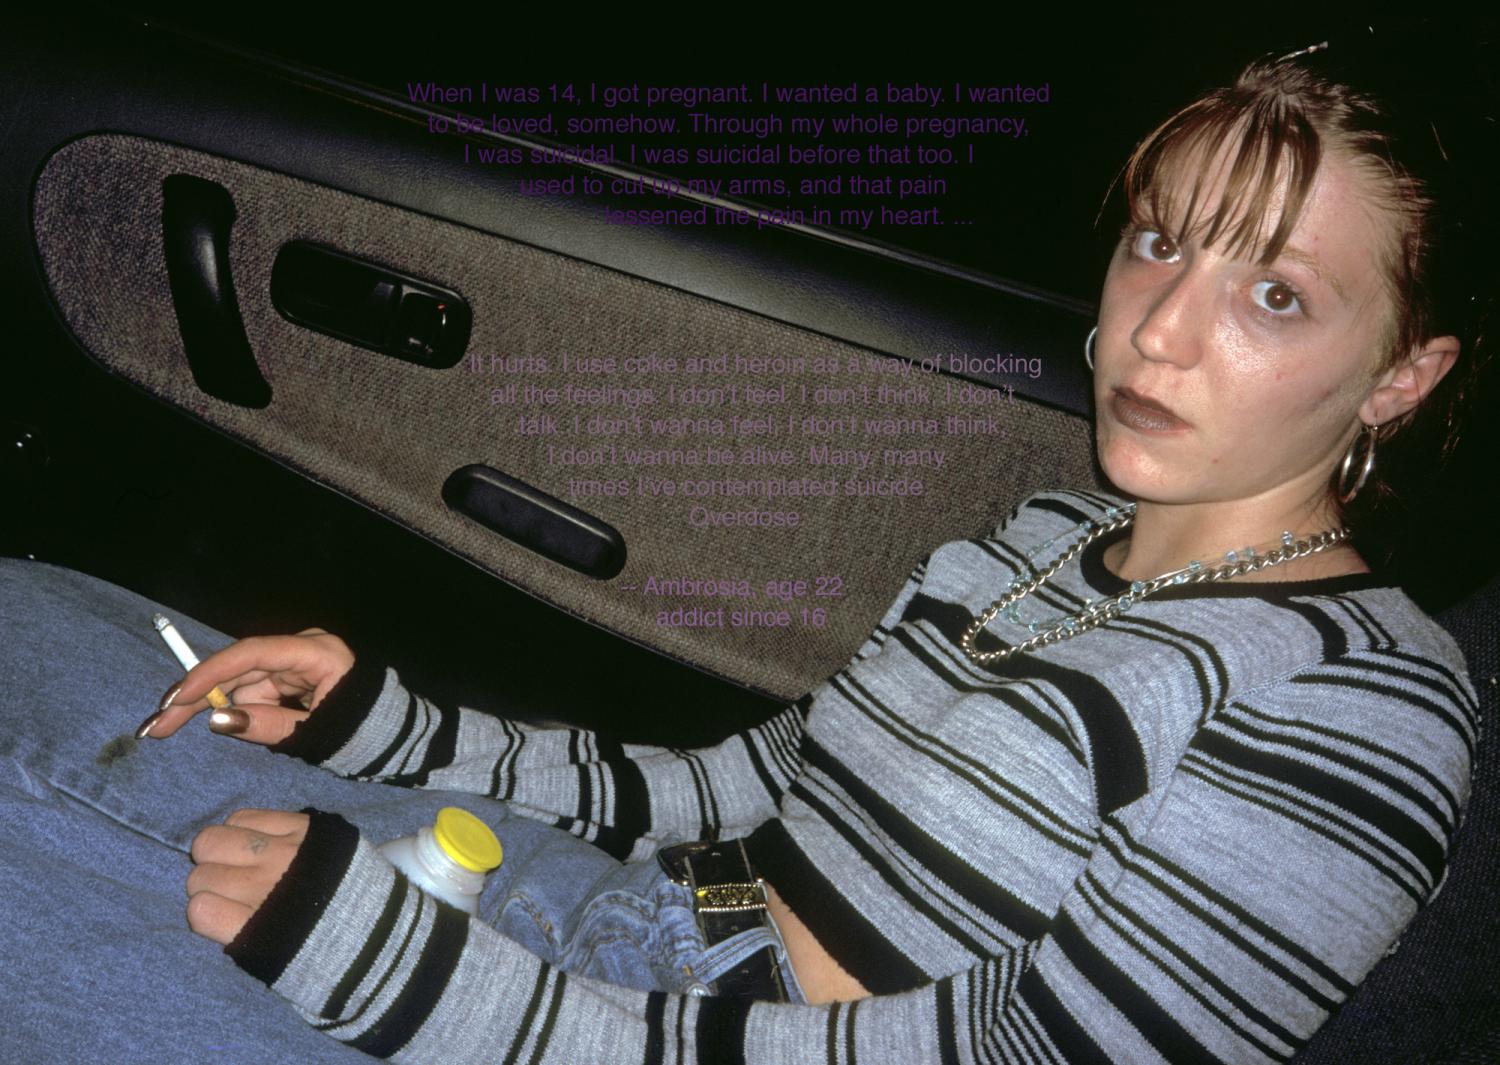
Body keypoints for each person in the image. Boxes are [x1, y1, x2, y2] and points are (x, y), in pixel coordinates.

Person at [0, 34, 1491, 1064]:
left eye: (1275, 296)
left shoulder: (1367, 699)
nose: (1159, 328)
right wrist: (389, 726)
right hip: (614, 923)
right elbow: (751, 794)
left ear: (1402, 375)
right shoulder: (1045, 542)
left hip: (601, 1022)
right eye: (1161, 240)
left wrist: (434, 991)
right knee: (30, 621)